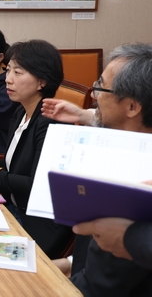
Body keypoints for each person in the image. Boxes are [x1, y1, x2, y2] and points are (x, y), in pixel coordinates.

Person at [42, 43, 152, 294]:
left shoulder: (131, 188)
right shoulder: (129, 145)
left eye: (100, 87)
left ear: (133, 107)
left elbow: (96, 288)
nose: (93, 96)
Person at [0, 39, 73, 259]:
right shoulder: (20, 113)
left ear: (41, 81)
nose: (8, 79)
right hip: (14, 209)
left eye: (18, 72)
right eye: (8, 70)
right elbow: (19, 165)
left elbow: (37, 186)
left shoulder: (50, 123)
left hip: (36, 227)